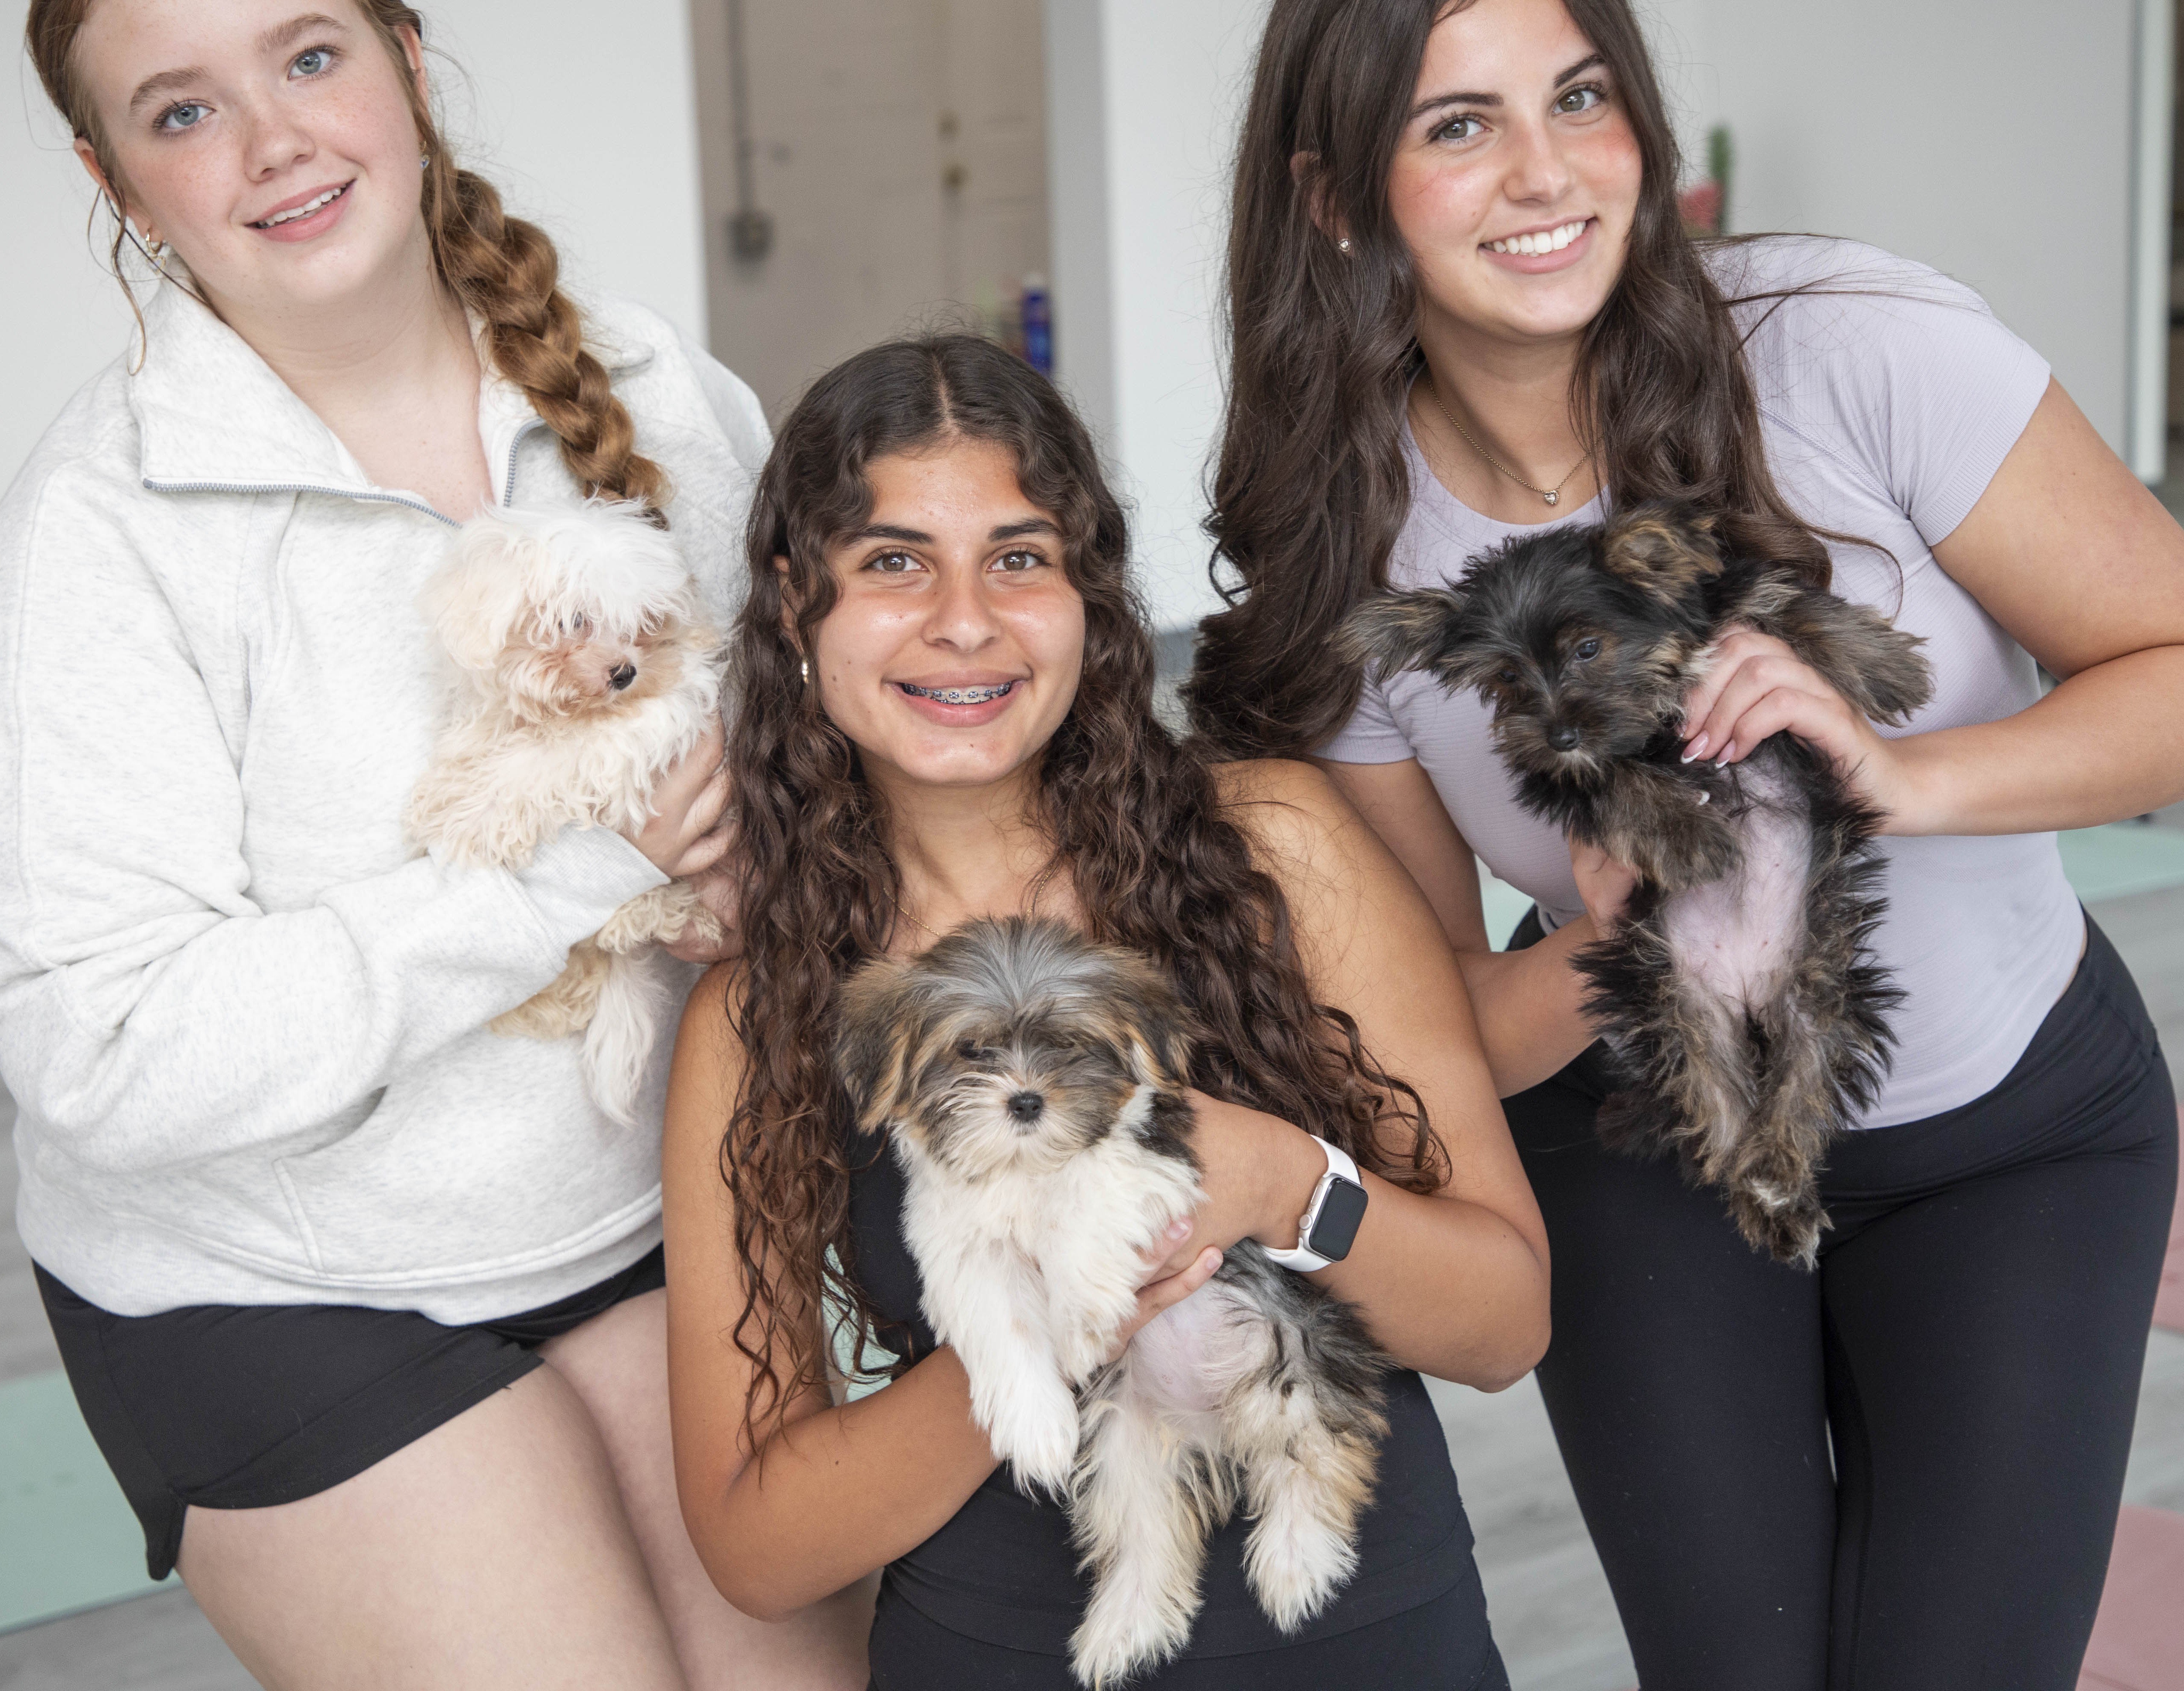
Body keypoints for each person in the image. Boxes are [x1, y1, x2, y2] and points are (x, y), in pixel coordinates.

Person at [1181, 0, 2184, 1691]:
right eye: (1454, 126)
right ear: (1332, 197)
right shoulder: (1348, 553)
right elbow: (1430, 1032)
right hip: (1645, 1157)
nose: (1546, 174)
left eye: (1579, 97)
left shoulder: (1849, 342)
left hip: (2009, 1138)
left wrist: (1893, 771)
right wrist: (1606, 935)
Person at [0, 0, 868, 1690]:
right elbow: (103, 1051)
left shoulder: (655, 391)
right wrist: (574, 871)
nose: (271, 143)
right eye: (182, 109)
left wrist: (784, 851)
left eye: (308, 60)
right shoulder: (89, 545)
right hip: (270, 1279)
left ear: (407, 65)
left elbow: (802, 753)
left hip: (629, 1200)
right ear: (112, 179)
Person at [660, 335, 1551, 1689]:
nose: (966, 621)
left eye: (1020, 558)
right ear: (796, 608)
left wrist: (1281, 1183)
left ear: (1090, 598)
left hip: (1371, 1641)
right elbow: (759, 1546)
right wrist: (1034, 1327)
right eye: (895, 562)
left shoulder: (1276, 847)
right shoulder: (757, 1014)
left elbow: (1503, 1323)